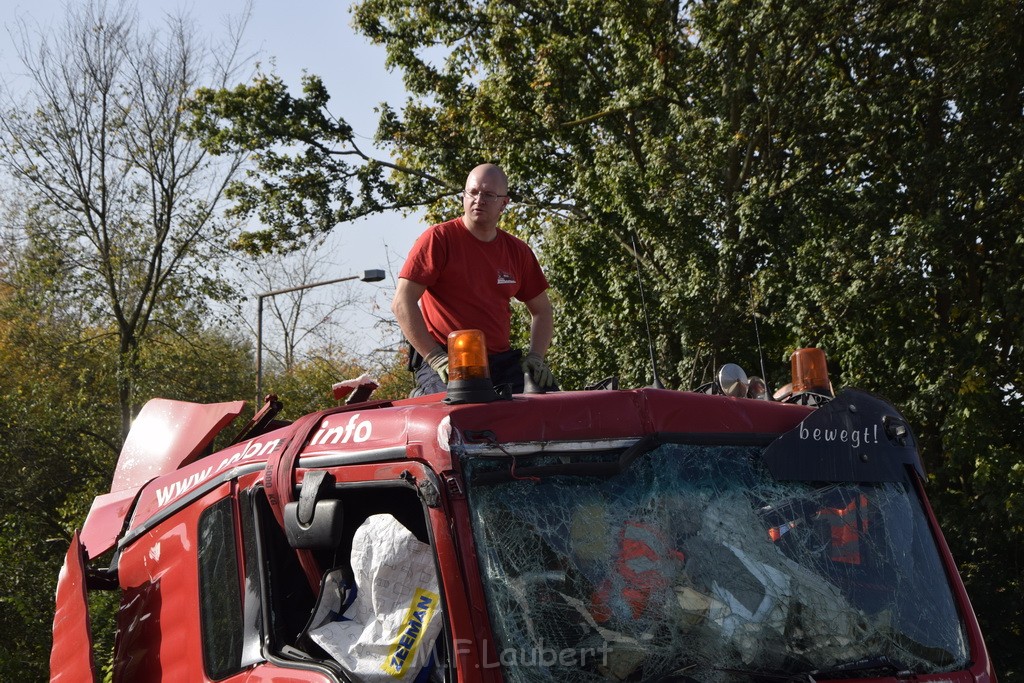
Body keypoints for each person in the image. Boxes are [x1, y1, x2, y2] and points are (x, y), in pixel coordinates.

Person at [391, 163, 556, 396]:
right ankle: (424, 395)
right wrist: (436, 359)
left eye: (489, 194)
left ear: (504, 203)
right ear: (463, 196)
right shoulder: (438, 239)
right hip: (446, 357)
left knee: (547, 400)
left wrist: (536, 358)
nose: (479, 200)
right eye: (473, 192)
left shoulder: (517, 252)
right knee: (461, 407)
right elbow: (402, 303)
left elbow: (542, 311)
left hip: (499, 361)